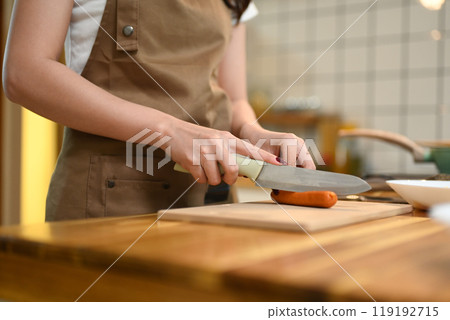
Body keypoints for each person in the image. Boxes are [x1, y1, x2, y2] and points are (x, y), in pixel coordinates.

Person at [3, 0, 315, 221]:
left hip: (213, 204)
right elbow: (24, 72)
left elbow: (234, 99)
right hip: (105, 206)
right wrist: (170, 131)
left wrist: (253, 133)